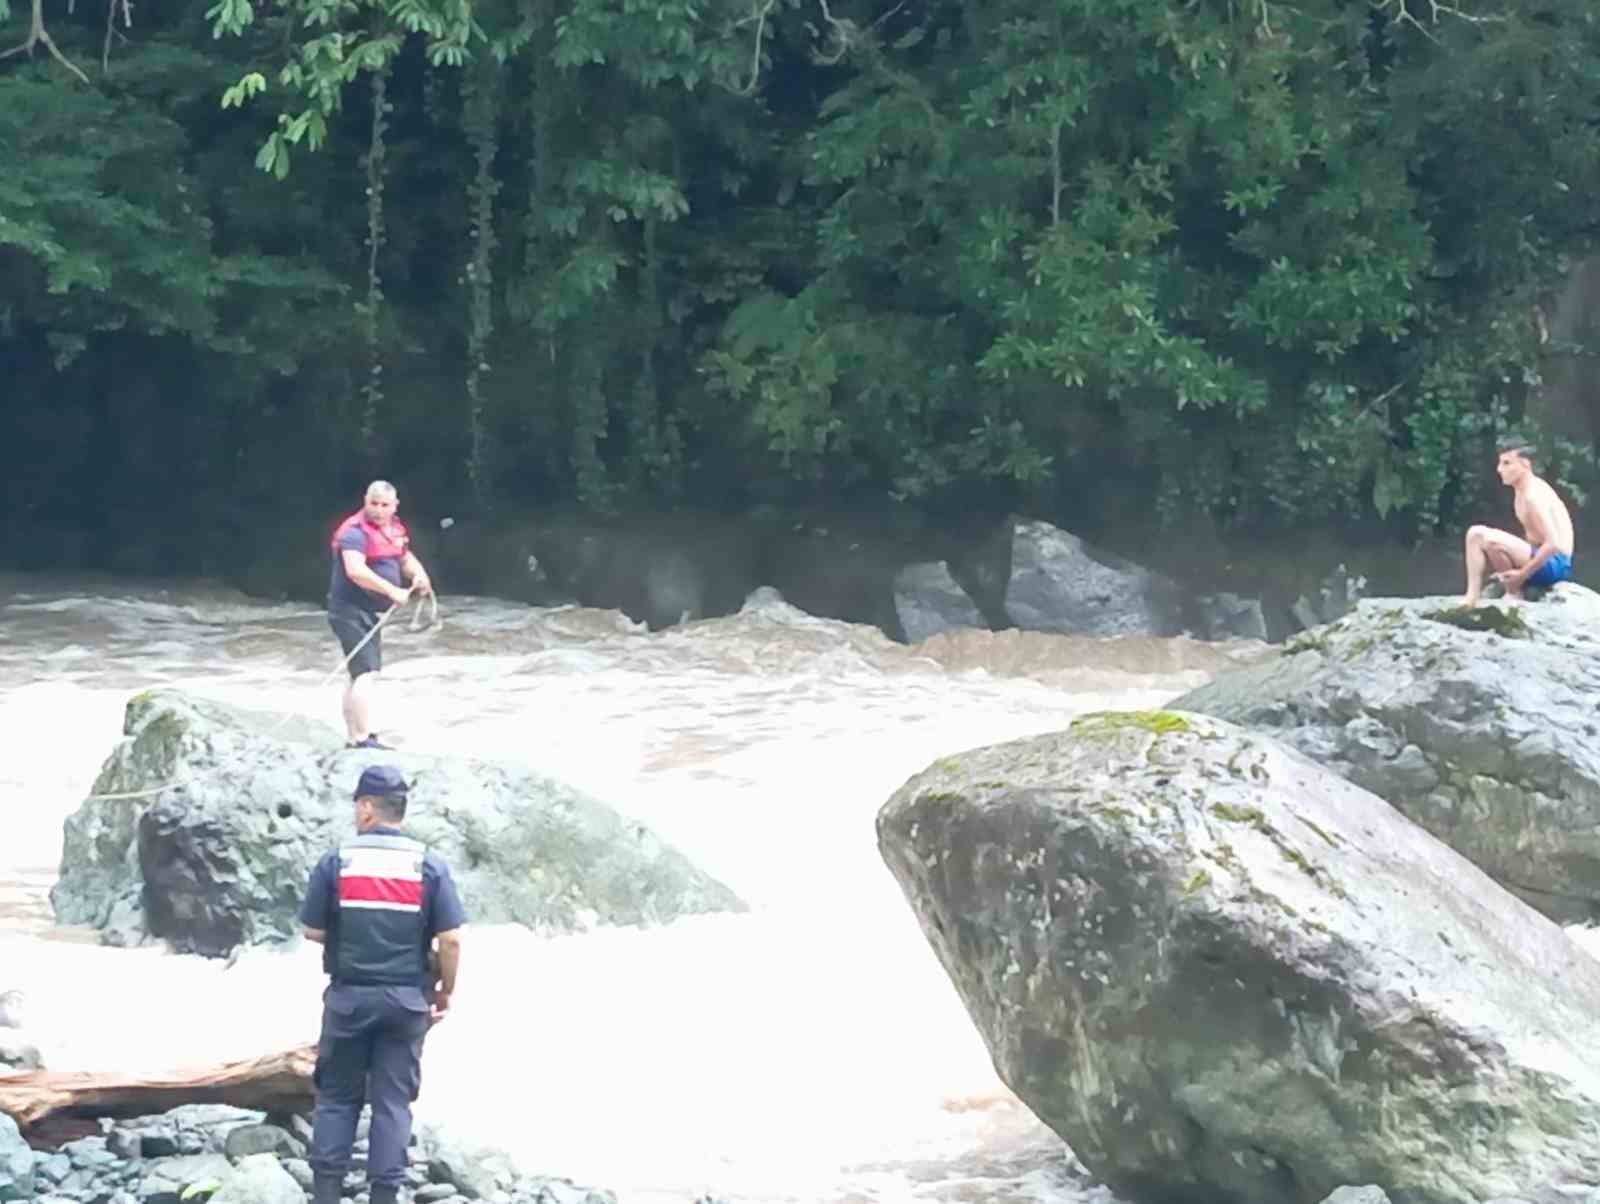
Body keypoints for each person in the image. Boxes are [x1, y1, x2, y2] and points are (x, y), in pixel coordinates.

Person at [301, 765, 465, 1204]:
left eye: (358, 805)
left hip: (349, 998)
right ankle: (384, 1195)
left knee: (337, 1098)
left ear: (368, 807)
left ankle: (327, 1193)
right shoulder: (428, 864)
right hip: (406, 1001)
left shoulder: (337, 860)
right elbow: (450, 939)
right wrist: (445, 989)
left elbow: (312, 932)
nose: (356, 813)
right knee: (393, 1102)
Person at [328, 481, 433, 749]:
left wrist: (419, 575)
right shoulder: (354, 533)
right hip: (349, 610)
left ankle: (354, 736)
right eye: (373, 503)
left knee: (358, 674)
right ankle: (363, 738)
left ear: (394, 506)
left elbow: (404, 556)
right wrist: (393, 590)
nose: (378, 510)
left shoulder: (394, 529)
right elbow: (355, 571)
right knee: (366, 672)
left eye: (384, 505)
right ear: (365, 500)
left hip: (368, 612)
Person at [1462, 443, 1576, 607]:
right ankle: (1510, 593)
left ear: (1525, 465)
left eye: (1507, 463)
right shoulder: (1520, 492)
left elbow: (1553, 544)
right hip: (1544, 559)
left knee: (1479, 534)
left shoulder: (1533, 495)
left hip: (1557, 564)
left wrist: (1522, 574)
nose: (1499, 469)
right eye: (1500, 463)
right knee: (1485, 540)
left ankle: (1478, 598)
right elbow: (1534, 540)